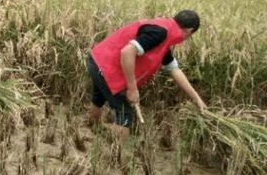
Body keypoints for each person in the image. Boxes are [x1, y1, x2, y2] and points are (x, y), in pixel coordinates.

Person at [87, 10, 207, 141]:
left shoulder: (164, 34)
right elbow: (127, 52)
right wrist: (132, 89)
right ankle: (119, 157)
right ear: (189, 31)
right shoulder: (160, 33)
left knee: (99, 96)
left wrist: (197, 99)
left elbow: (174, 70)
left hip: (97, 60)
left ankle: (93, 128)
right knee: (125, 113)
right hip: (105, 67)